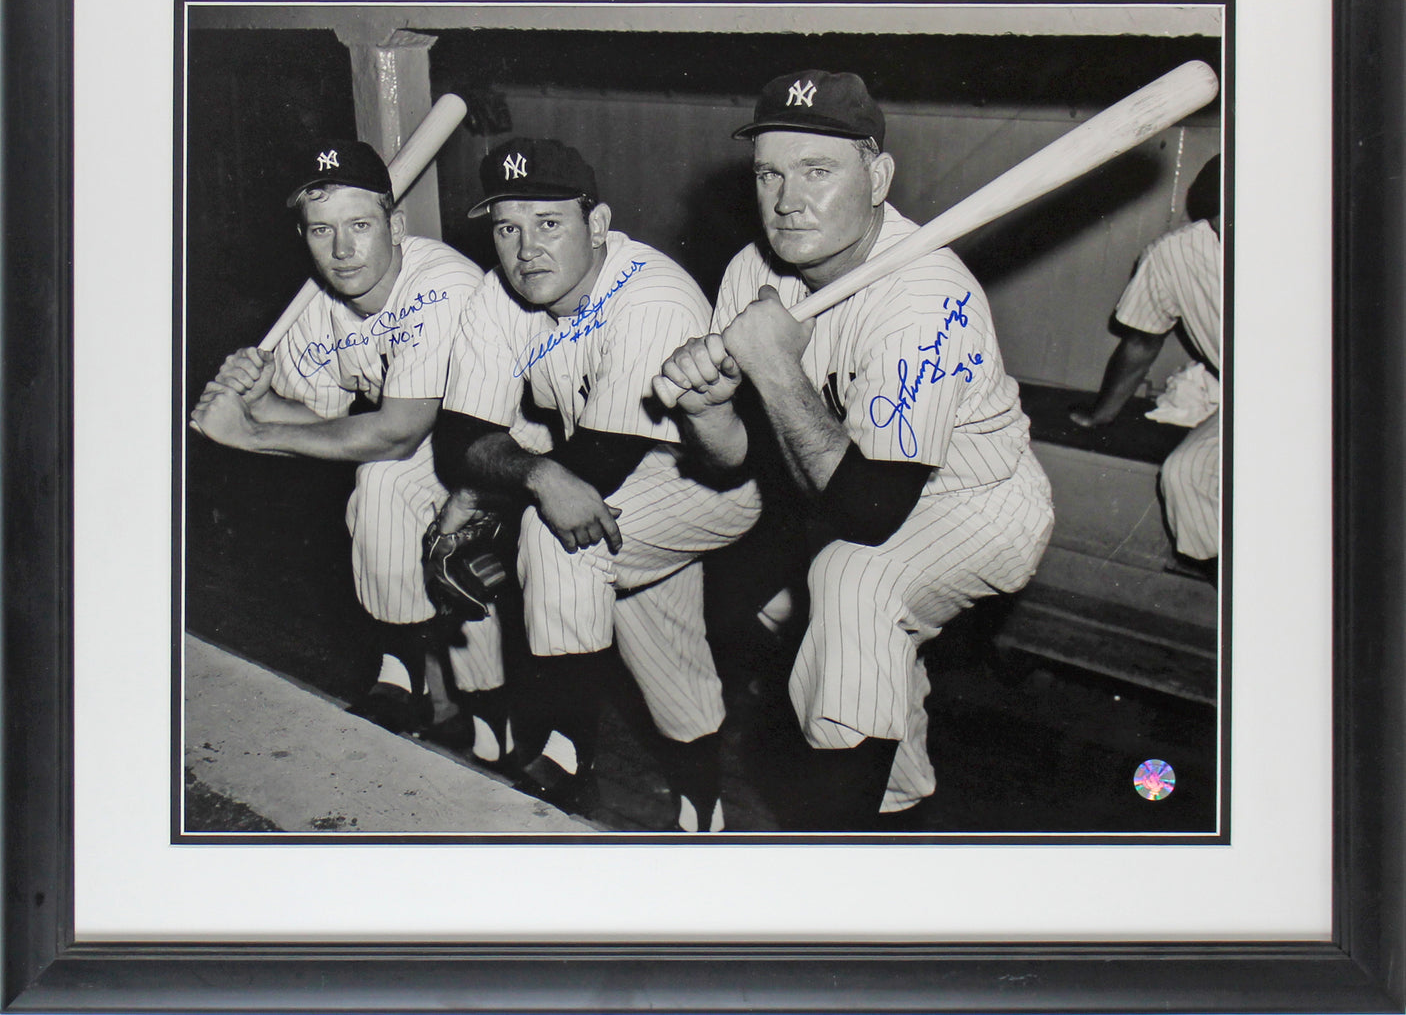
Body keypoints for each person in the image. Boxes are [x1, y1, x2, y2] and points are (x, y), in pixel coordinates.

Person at [657, 70, 1055, 830]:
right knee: (798, 615)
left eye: (817, 171)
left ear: (877, 179)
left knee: (854, 582)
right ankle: (897, 812)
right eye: (770, 174)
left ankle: (836, 863)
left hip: (976, 503)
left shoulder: (925, 295)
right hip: (847, 484)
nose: (787, 200)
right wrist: (708, 408)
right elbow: (733, 461)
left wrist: (775, 367)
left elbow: (873, 513)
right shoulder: (752, 270)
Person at [432, 136, 760, 832]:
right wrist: (528, 474)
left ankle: (567, 759)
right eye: (507, 228)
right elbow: (460, 438)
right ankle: (703, 812)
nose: (526, 249)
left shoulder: (652, 295)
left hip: (708, 482)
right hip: (599, 469)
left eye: (549, 223)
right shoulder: (500, 293)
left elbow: (595, 468)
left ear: (599, 224)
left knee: (562, 542)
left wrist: (502, 499)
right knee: (663, 643)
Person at [188, 138, 512, 765]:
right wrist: (258, 403)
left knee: (390, 488)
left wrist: (251, 433)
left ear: (396, 225)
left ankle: (432, 690)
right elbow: (323, 427)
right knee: (389, 495)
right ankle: (424, 691)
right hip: (423, 447)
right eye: (322, 229)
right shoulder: (318, 307)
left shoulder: (442, 284)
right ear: (304, 236)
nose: (341, 250)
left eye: (360, 225)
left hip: (506, 443)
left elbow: (397, 432)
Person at [1070, 154, 1221, 566]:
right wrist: (1102, 414)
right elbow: (1143, 340)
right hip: (1254, 404)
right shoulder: (1173, 256)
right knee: (1185, 476)